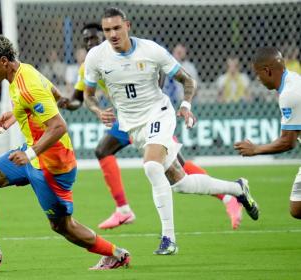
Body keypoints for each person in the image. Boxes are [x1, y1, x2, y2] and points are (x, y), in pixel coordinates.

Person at [83, 7, 259, 255]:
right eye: (107, 30)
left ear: (127, 26)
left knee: (151, 167)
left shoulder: (151, 50)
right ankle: (237, 189)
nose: (112, 34)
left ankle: (169, 239)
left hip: (160, 114)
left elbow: (188, 80)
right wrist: (98, 111)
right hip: (133, 126)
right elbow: (88, 96)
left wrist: (185, 105)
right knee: (181, 183)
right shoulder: (96, 57)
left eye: (116, 28)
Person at [59, 23, 242, 230]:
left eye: (95, 37)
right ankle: (123, 210)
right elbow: (78, 99)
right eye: (87, 39)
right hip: (127, 120)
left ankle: (229, 197)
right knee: (102, 150)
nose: (91, 42)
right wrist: (65, 103)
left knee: (178, 169)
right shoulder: (90, 65)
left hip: (150, 118)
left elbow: (159, 69)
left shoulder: (134, 53)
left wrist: (151, 105)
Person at [0, 33, 130, 270]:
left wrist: (30, 154)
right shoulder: (24, 71)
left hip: (53, 165)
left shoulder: (27, 86)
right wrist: (18, 114)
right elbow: (53, 93)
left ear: (3, 61)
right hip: (32, 154)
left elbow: (58, 126)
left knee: (62, 226)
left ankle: (117, 254)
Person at [234, 47, 301, 219]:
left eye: (258, 74)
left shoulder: (289, 94)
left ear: (268, 71)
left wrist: (255, 149)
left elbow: (288, 142)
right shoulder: (292, 82)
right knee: (297, 209)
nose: (258, 79)